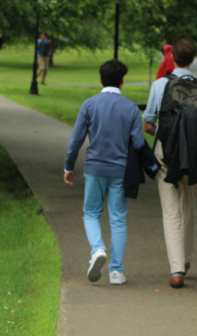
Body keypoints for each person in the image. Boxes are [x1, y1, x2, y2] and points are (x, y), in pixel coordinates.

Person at [64, 59, 146, 285]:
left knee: (91, 213)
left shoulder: (89, 104)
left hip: (95, 168)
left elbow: (76, 141)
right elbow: (138, 142)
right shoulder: (130, 107)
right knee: (118, 220)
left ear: (100, 79)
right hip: (120, 170)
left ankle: (98, 248)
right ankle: (117, 272)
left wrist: (69, 166)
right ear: (122, 81)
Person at [142, 36, 197, 289]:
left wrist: (168, 137)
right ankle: (186, 261)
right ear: (193, 59)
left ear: (172, 56)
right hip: (193, 156)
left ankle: (176, 271)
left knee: (170, 211)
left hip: (166, 155)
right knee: (189, 209)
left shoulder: (160, 85)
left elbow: (148, 124)